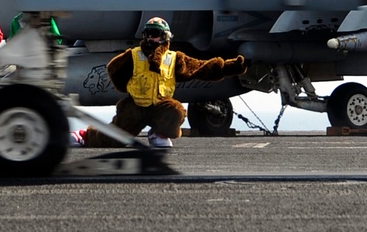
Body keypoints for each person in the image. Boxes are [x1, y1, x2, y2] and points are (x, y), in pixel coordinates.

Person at [79, 17, 246, 149]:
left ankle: (159, 135)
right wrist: (123, 87)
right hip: (135, 107)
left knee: (175, 110)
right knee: (114, 140)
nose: (151, 37)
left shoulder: (174, 58)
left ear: (165, 36)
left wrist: (229, 67)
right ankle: (83, 136)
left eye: (155, 33)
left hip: (160, 107)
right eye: (148, 33)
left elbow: (201, 67)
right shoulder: (133, 55)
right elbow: (113, 69)